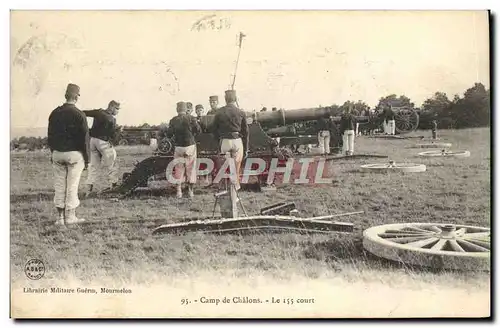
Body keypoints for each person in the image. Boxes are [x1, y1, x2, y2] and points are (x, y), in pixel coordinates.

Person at [47, 83, 90, 225]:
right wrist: (88, 160)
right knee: (72, 186)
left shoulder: (54, 113)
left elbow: (51, 136)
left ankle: (60, 218)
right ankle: (71, 217)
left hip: (58, 153)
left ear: (66, 95)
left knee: (59, 185)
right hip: (74, 155)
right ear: (76, 96)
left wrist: (53, 152)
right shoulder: (80, 114)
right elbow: (84, 139)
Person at [211, 90, 248, 190]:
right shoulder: (241, 112)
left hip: (225, 141)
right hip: (237, 141)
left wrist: (219, 141)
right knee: (236, 166)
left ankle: (224, 187)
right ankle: (235, 187)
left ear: (225, 99)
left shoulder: (219, 112)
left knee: (224, 166)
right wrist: (246, 148)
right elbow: (246, 132)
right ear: (235, 99)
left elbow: (214, 129)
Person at [82, 100, 120, 193]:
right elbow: (113, 136)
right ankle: (113, 185)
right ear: (111, 107)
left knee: (94, 166)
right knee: (112, 164)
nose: (117, 111)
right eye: (117, 109)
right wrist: (118, 130)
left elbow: (83, 113)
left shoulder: (99, 112)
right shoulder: (112, 119)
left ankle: (88, 189)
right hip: (103, 142)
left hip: (93, 141)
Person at [167, 101, 202, 198]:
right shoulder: (191, 118)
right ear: (186, 109)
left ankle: (179, 191)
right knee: (191, 168)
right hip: (190, 146)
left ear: (177, 109)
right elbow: (198, 130)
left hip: (178, 146)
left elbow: (169, 134)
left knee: (178, 169)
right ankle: (190, 191)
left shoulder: (173, 120)